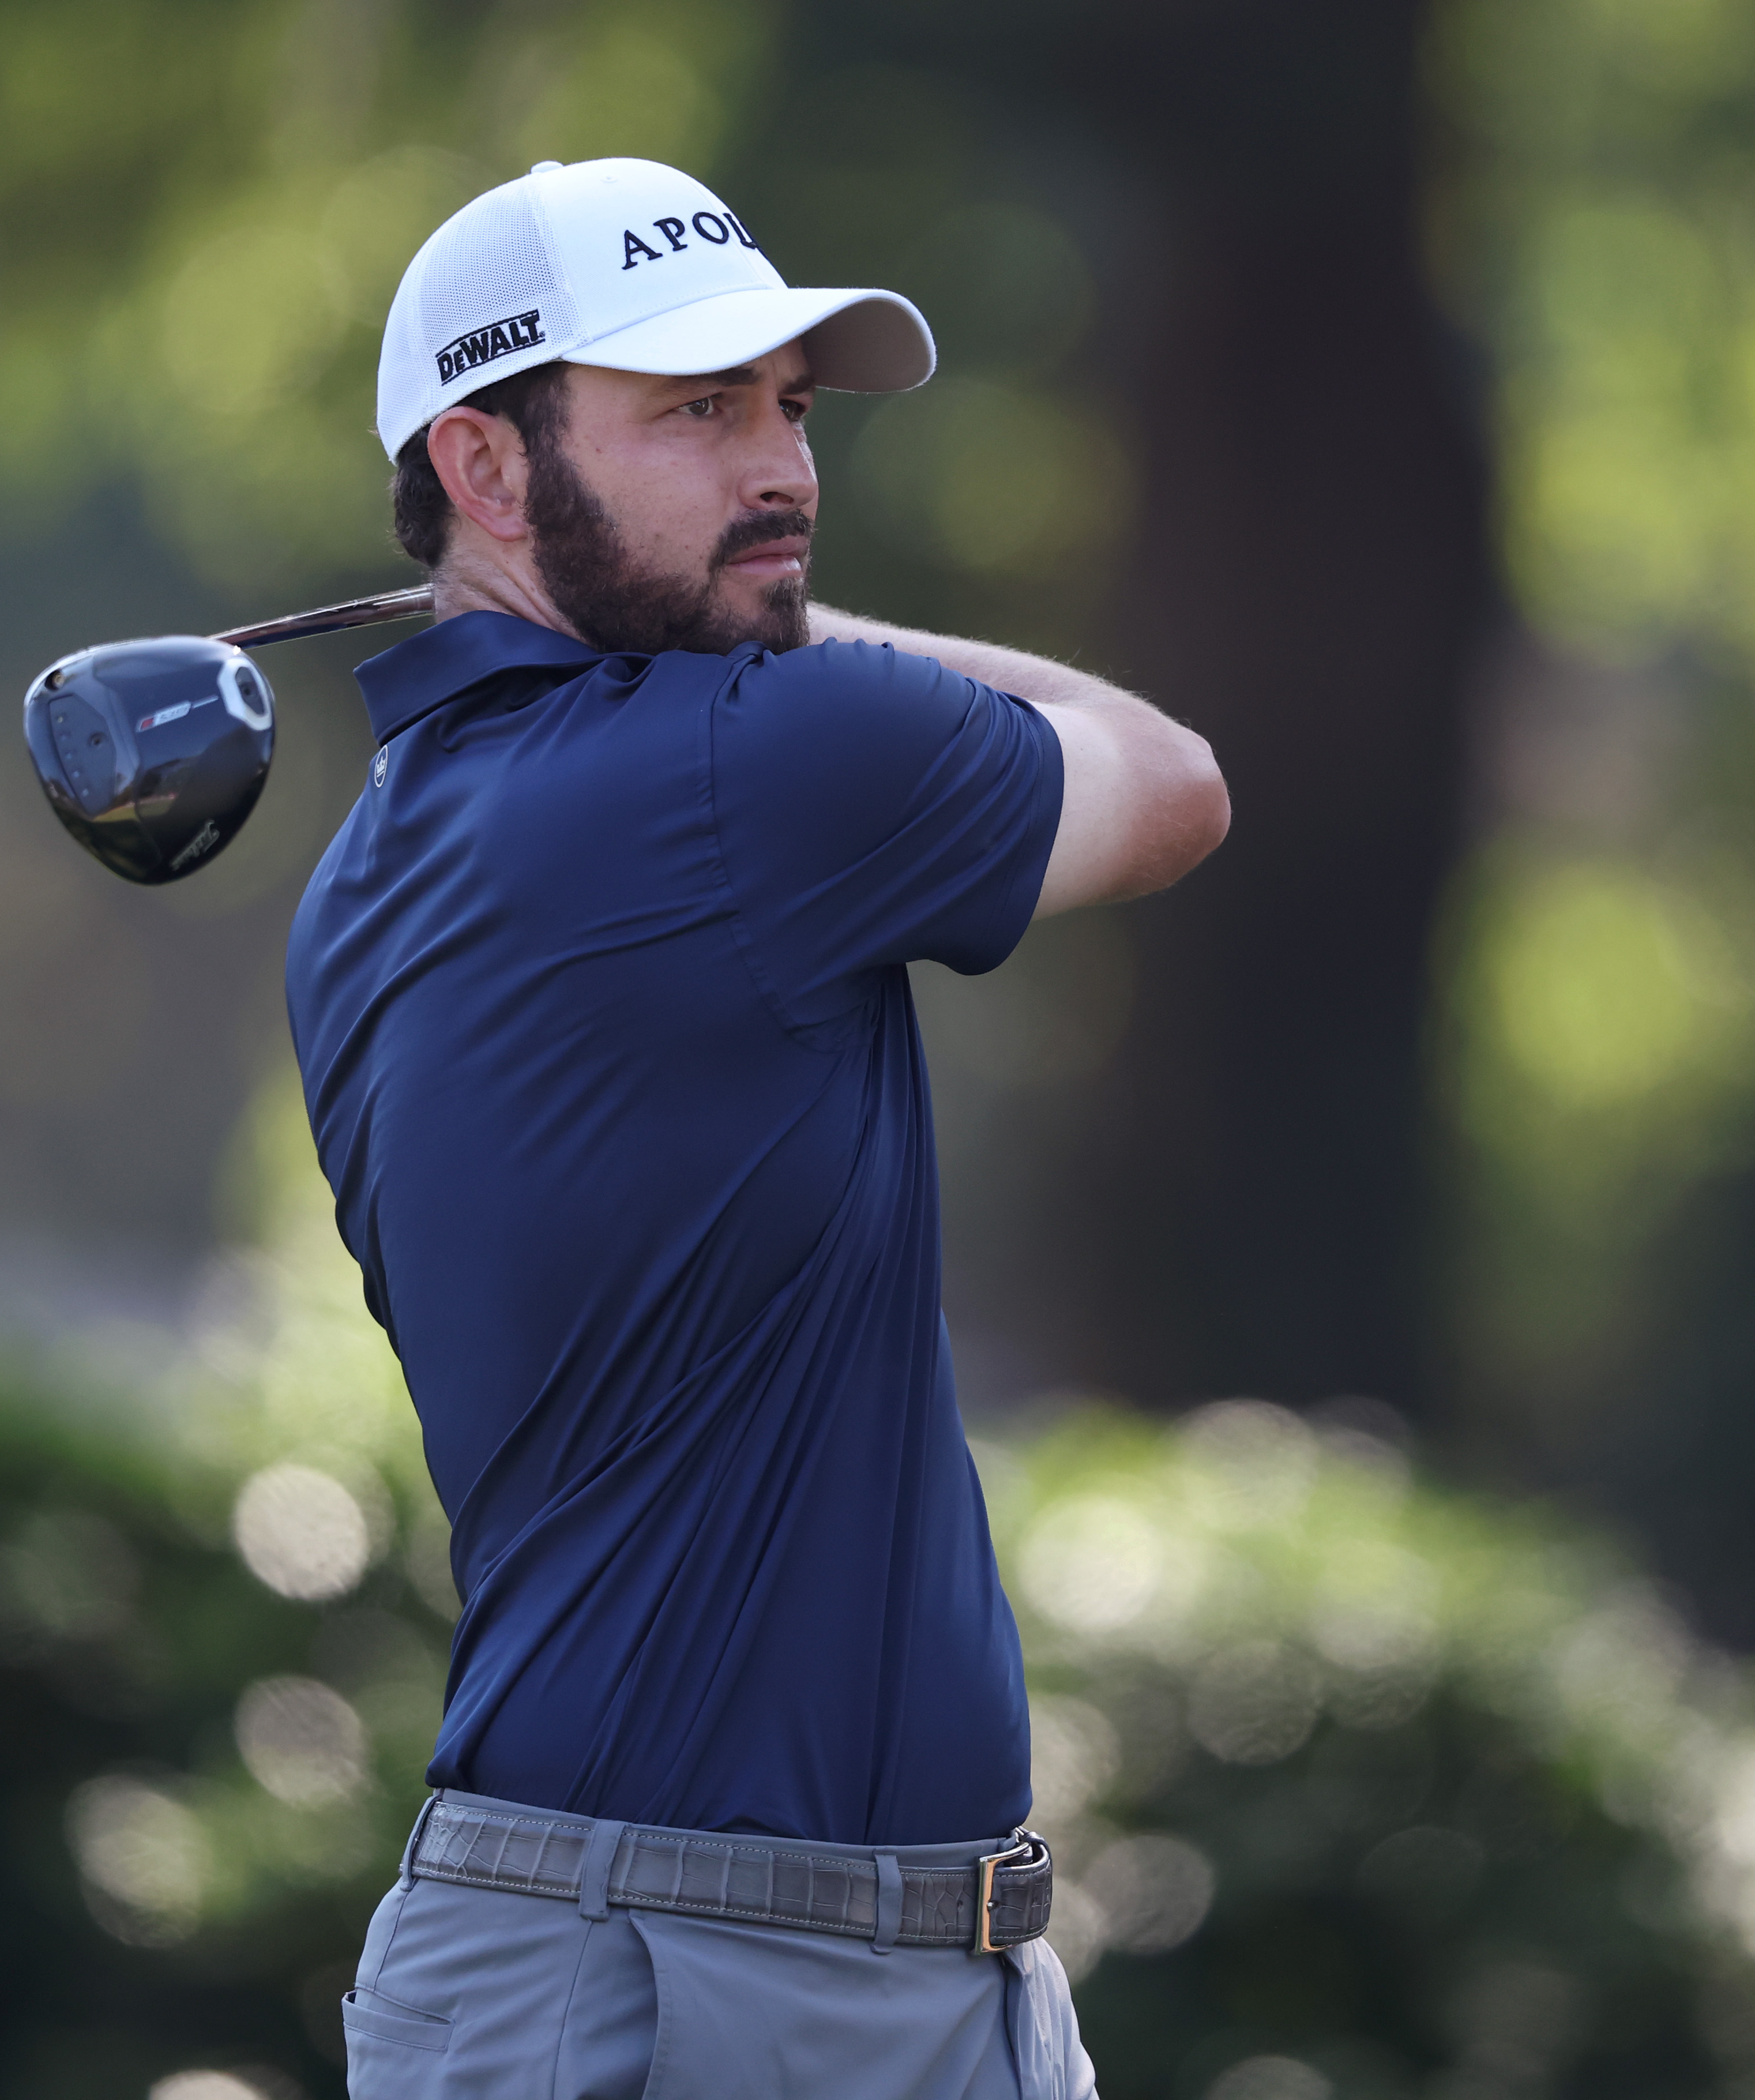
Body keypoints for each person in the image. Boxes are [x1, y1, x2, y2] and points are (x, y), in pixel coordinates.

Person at [282, 157, 1230, 2099]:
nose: (781, 471)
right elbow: (1173, 777)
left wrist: (729, 604)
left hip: (658, 1950)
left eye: (790, 407)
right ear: (483, 464)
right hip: (713, 1982)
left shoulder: (372, 866)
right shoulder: (755, 763)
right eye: (694, 414)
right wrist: (786, 632)